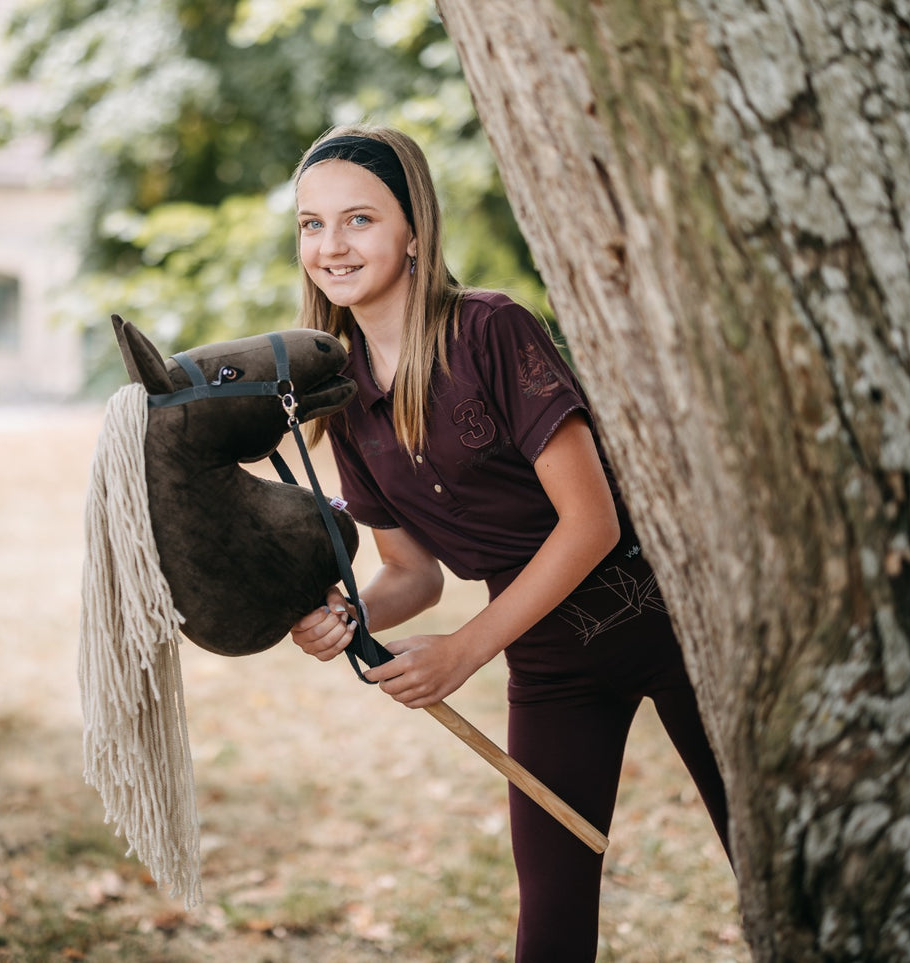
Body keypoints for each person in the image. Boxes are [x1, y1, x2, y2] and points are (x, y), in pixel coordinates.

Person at [287, 124, 731, 961]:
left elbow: (591, 522)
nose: (331, 246)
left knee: (783, 865)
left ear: (413, 228)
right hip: (551, 664)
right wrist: (345, 612)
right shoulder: (340, 394)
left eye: (358, 220)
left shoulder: (490, 328)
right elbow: (409, 572)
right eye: (312, 224)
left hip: (681, 627)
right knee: (552, 926)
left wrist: (464, 651)